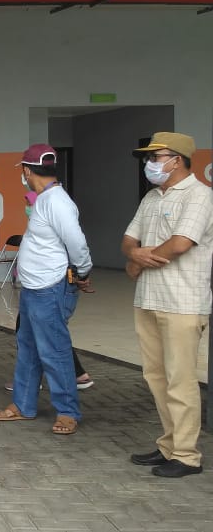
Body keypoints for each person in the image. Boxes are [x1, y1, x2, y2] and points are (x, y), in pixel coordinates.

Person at [122, 132, 213, 478]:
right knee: (157, 377)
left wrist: (137, 261)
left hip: (183, 302)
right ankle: (169, 446)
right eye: (149, 158)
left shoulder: (200, 196)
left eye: (155, 157)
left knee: (181, 380)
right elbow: (128, 239)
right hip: (148, 298)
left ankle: (187, 456)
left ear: (177, 160)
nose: (149, 164)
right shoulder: (151, 197)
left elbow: (180, 244)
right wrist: (134, 254)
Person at [0, 144, 94, 436]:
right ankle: (23, 405)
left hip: (51, 288)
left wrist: (83, 271)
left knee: (54, 351)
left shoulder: (57, 201)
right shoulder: (45, 199)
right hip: (35, 288)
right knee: (28, 348)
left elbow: (77, 243)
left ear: (26, 170)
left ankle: (67, 411)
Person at [3, 190, 94, 392]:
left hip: (50, 285)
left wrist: (81, 274)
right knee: (46, 331)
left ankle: (55, 384)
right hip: (38, 285)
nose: (27, 207)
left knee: (47, 333)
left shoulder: (52, 218)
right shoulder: (38, 223)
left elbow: (72, 247)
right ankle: (75, 375)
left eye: (29, 202)